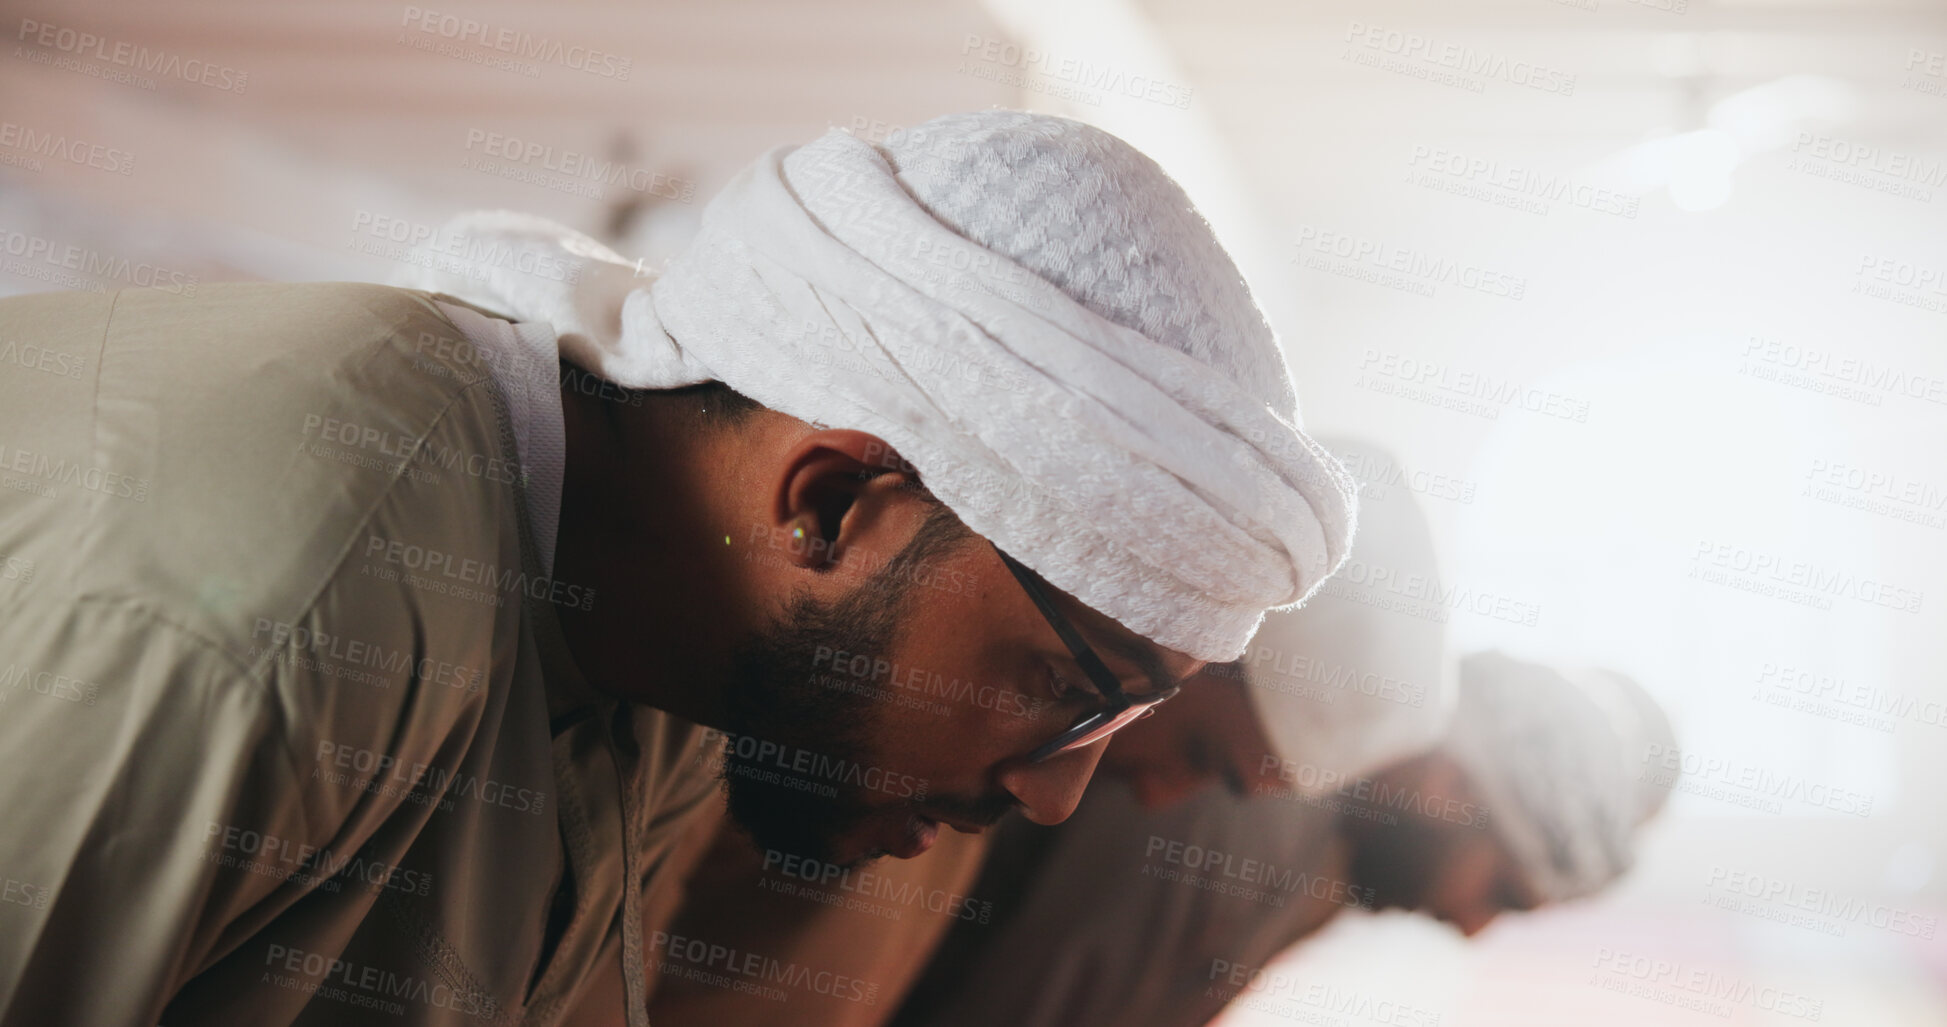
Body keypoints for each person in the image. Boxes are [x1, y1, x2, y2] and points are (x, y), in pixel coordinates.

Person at [0, 110, 1357, 1027]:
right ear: (831, 500)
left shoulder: (665, 683)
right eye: (1077, 687)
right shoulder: (288, 594)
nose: (1058, 793)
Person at [890, 651, 1678, 1027]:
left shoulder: (1321, 865)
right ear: (1456, 791)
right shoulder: (1251, 816)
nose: (1474, 926)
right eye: (1502, 891)